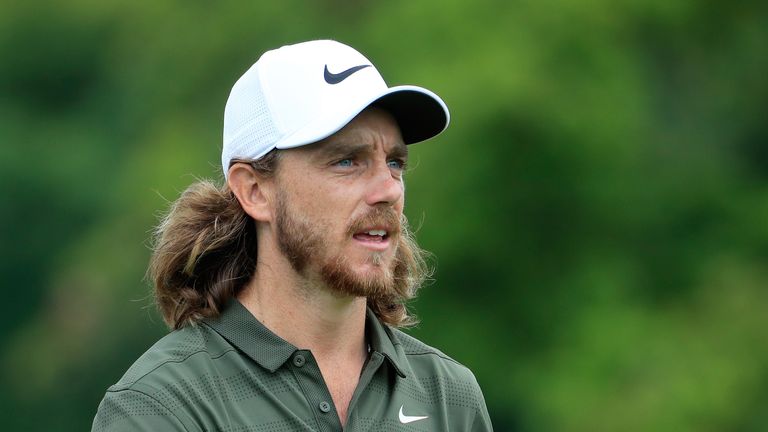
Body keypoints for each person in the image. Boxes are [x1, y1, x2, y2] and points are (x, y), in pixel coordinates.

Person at [92, 39, 493, 431]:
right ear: (254, 190)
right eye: (347, 161)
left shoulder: (448, 397)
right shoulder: (162, 406)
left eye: (394, 162)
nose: (388, 189)